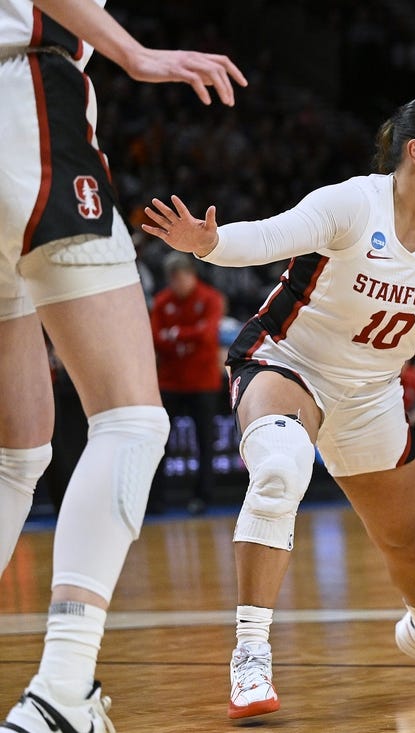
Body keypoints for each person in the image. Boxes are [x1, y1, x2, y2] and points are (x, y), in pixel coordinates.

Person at [140, 96, 415, 720]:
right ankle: (250, 655)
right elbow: (269, 236)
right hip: (286, 363)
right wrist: (209, 242)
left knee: (403, 539)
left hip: (372, 391)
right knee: (278, 472)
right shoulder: (353, 204)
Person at [0, 1, 246, 731]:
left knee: (18, 448)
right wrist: (133, 54)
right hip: (26, 104)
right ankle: (63, 690)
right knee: (132, 418)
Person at [149, 251, 226, 514]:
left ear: (192, 275)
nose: (178, 283)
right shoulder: (162, 302)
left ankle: (203, 498)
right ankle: (156, 500)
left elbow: (207, 335)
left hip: (203, 381)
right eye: (173, 278)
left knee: (205, 443)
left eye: (182, 277)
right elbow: (155, 337)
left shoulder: (210, 298)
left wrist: (177, 334)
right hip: (170, 381)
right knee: (159, 442)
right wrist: (184, 336)